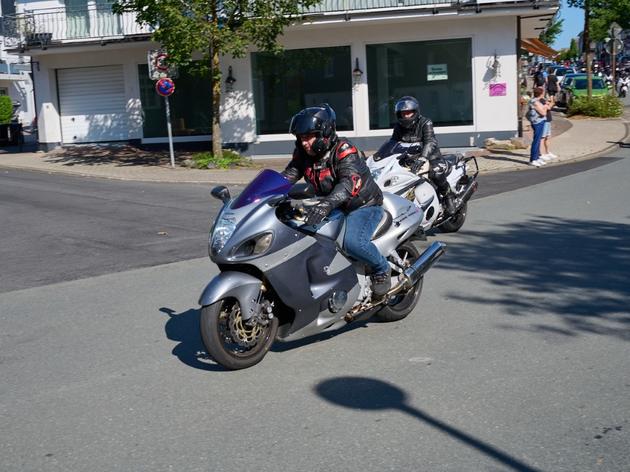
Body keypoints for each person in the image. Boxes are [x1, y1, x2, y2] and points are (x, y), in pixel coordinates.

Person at [281, 104, 392, 297]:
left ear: (325, 133)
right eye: (301, 137)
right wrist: (260, 194)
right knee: (299, 234)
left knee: (352, 243)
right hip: (329, 205)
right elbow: (289, 175)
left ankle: (381, 269)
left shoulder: (344, 150)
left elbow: (349, 183)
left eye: (309, 136)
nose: (304, 142)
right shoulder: (303, 154)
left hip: (361, 204)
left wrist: (327, 204)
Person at [387, 96, 457, 214]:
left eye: (409, 113)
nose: (406, 116)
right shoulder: (398, 127)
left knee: (436, 172)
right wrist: (379, 157)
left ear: (415, 112)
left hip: (431, 157)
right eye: (403, 113)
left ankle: (448, 197)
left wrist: (423, 158)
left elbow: (430, 141)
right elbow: (392, 143)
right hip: (409, 159)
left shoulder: (425, 122)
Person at [526, 87, 552, 167]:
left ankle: (537, 157)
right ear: (540, 93)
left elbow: (544, 109)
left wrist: (545, 106)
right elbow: (543, 113)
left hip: (540, 122)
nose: (544, 94)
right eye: (543, 92)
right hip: (538, 122)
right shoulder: (535, 102)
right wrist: (545, 107)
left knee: (537, 140)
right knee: (536, 141)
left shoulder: (536, 101)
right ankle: (533, 159)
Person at [539, 95, 557, 162]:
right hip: (545, 120)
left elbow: (549, 105)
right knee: (542, 137)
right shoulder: (540, 100)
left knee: (547, 137)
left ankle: (547, 152)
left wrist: (550, 102)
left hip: (548, 120)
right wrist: (552, 101)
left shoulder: (543, 99)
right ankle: (541, 153)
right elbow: (548, 108)